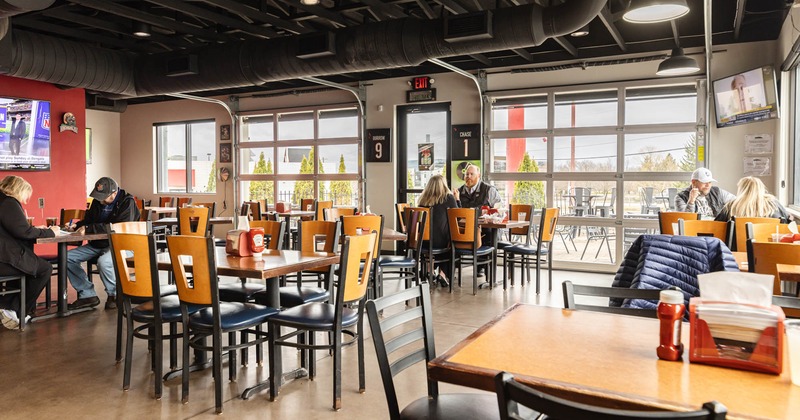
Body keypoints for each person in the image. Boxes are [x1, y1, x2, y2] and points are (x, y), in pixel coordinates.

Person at [67, 177, 140, 311]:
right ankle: (87, 295)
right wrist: (77, 225)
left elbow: (118, 227)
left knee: (104, 262)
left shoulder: (127, 202)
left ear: (114, 192)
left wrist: (89, 229)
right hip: (98, 245)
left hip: (123, 245)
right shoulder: (97, 201)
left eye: (103, 197)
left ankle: (114, 295)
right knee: (66, 258)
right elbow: (89, 221)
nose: (100, 200)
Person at [0, 176, 59, 329]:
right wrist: (50, 232)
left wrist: (36, 230)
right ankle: (16, 309)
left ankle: (8, 305)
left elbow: (14, 228)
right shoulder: (8, 202)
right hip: (4, 258)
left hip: (4, 256)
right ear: (18, 190)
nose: (27, 199)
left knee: (28, 265)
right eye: (27, 194)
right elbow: (23, 232)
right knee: (44, 269)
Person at [418, 174, 458, 288]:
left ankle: (430, 270)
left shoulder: (422, 200)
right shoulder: (448, 198)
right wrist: (457, 199)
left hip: (423, 242)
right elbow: (457, 216)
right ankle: (443, 274)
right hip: (440, 243)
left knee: (440, 237)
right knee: (452, 244)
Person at [715, 176, 791, 223]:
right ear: (761, 188)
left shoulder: (731, 206)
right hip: (769, 247)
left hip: (736, 248)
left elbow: (717, 227)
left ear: (741, 189)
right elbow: (786, 221)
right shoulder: (773, 204)